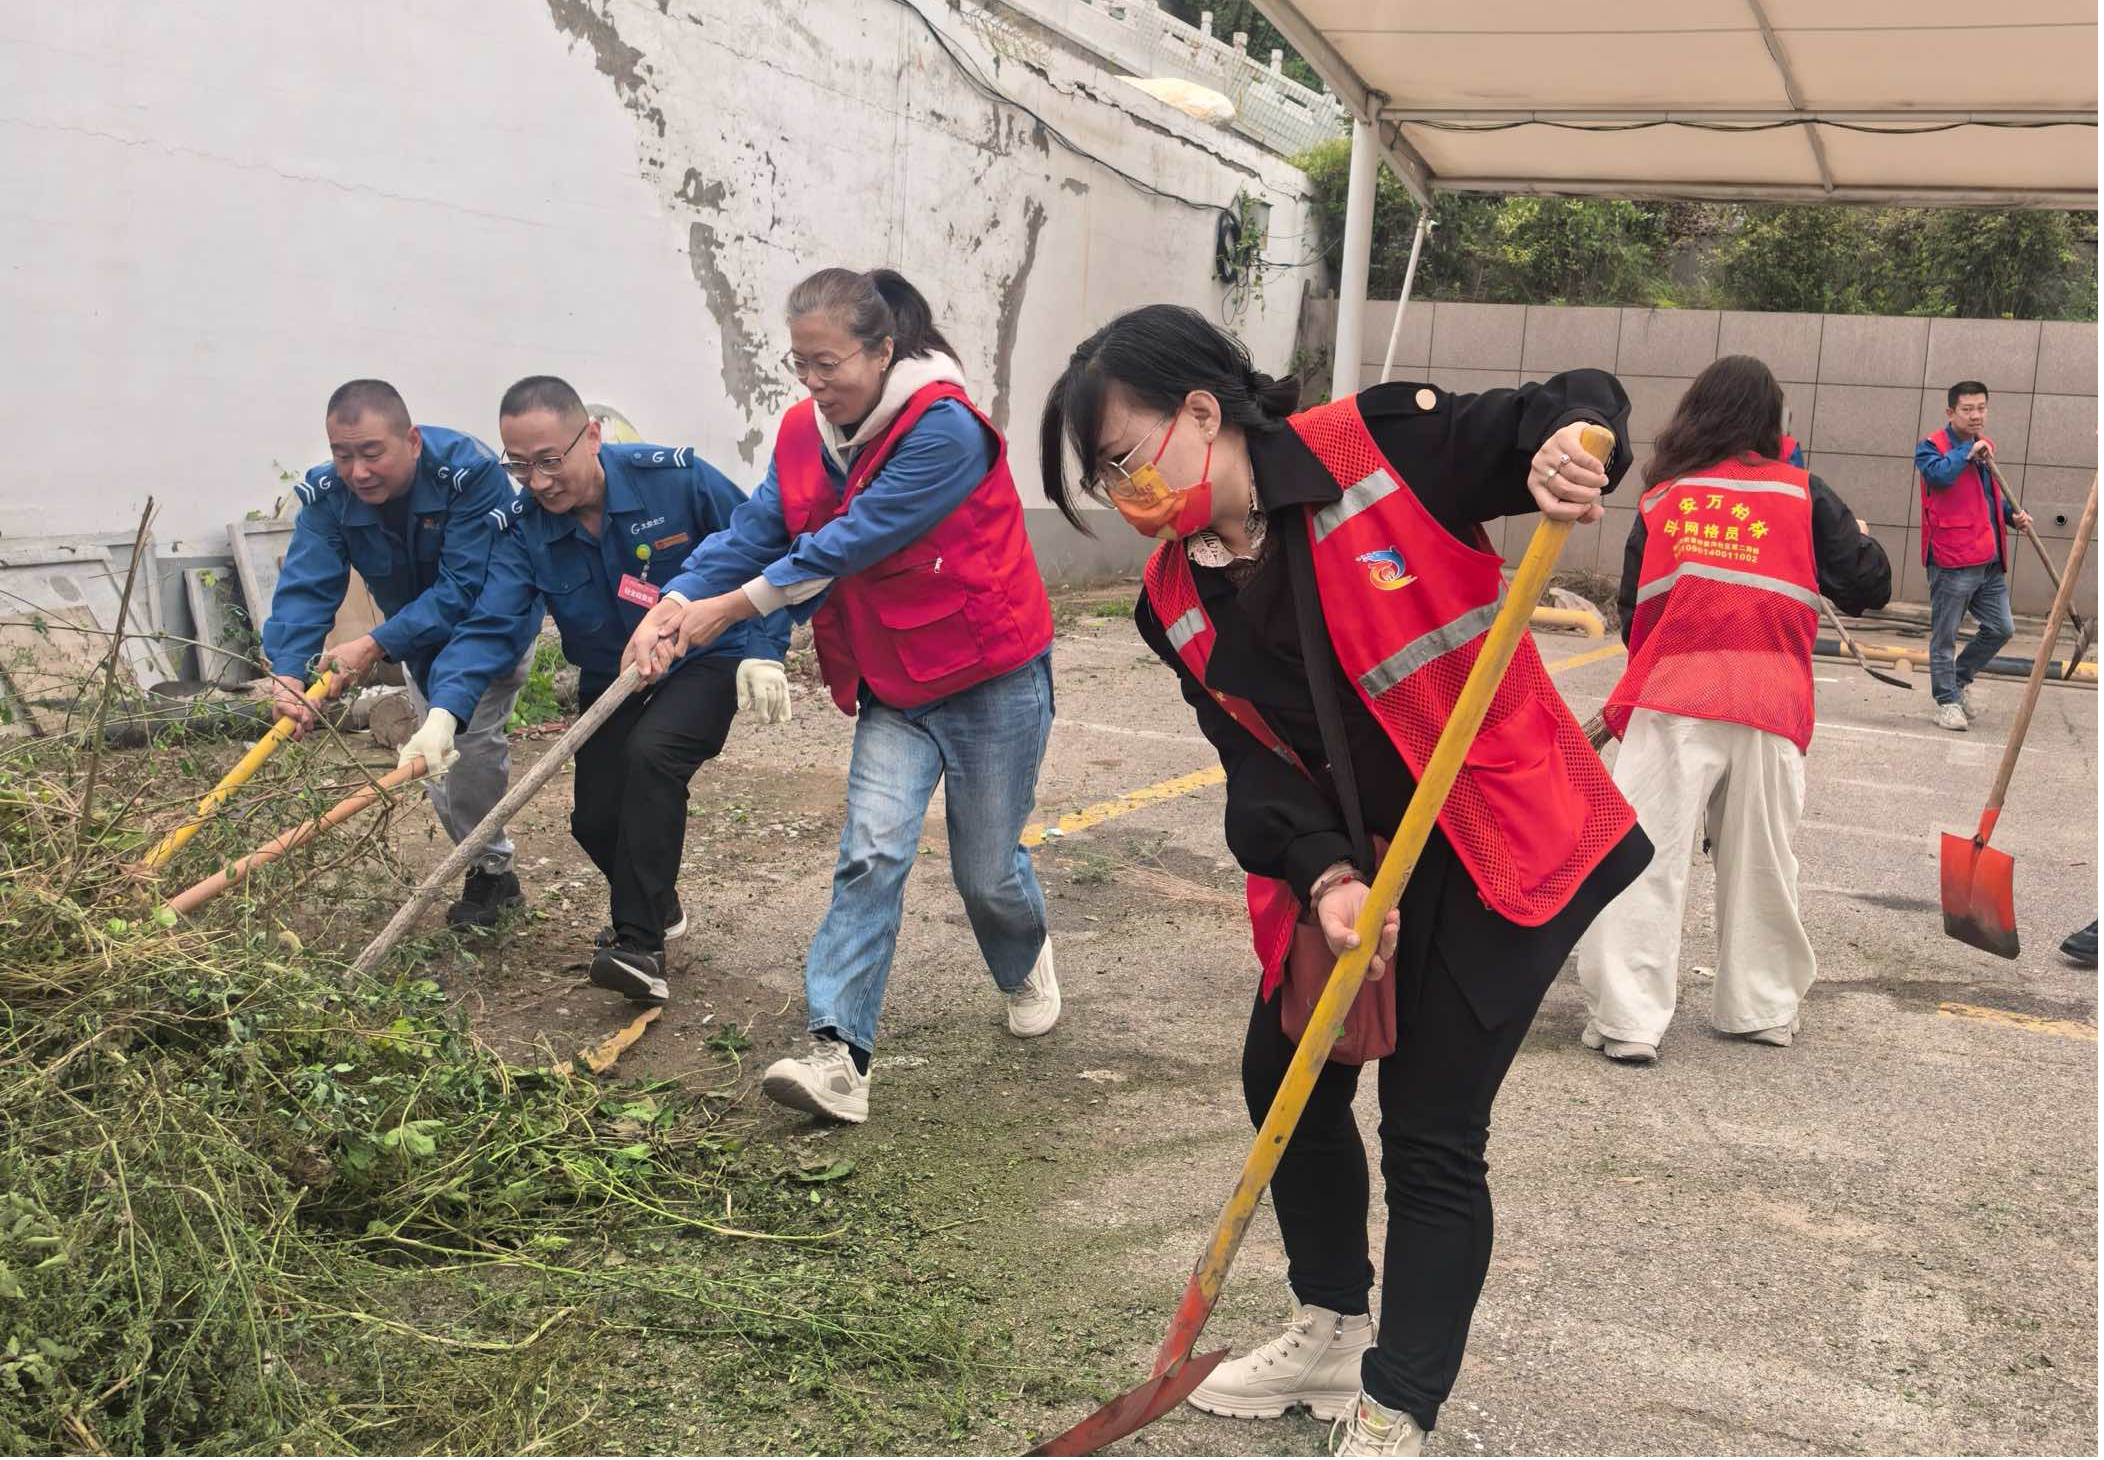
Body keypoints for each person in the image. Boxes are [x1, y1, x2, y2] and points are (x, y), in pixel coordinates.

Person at [1038, 306, 1651, 1459]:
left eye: (1124, 459)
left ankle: (1397, 1401)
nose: (1124, 493)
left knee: (1429, 1124)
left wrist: (1576, 442)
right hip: (1354, 856)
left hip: (1491, 829)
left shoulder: (1377, 447)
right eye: (1103, 478)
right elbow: (1253, 762)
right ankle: (1329, 1325)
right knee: (1284, 1074)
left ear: (1201, 413)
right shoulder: (1171, 598)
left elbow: (1568, 396)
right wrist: (1324, 874)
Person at [623, 268, 1058, 1127]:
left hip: (990, 677)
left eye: (829, 364)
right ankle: (838, 1054)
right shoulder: (803, 433)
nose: (814, 383)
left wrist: (729, 611)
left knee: (985, 871)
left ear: (883, 350)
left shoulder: (945, 430)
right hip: (894, 681)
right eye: (801, 364)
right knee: (871, 853)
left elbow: (851, 541)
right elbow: (757, 529)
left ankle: (1024, 956)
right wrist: (675, 600)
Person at [412, 376, 790, 1003]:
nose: (537, 482)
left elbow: (764, 549)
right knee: (593, 819)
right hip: (612, 676)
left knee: (652, 756)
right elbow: (491, 623)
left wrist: (763, 649)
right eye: (519, 466)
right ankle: (655, 899)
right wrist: (444, 712)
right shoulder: (523, 528)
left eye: (549, 461)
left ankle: (639, 945)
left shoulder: (676, 480)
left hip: (705, 654)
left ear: (590, 435)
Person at [1578, 356, 1891, 1066]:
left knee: (1645, 859)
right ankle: (1761, 1008)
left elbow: (1632, 611)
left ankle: (1628, 1019)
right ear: (1771, 420)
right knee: (1762, 862)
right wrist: (1859, 536)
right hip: (1768, 699)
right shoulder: (1802, 493)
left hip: (1672, 696)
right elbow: (1869, 585)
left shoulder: (1665, 497)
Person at [261, 379, 530, 930]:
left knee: (468, 746)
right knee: (433, 760)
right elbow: (308, 584)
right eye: (343, 455)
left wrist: (372, 644)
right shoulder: (330, 494)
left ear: (411, 441)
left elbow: (465, 588)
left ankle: (491, 871)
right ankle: (485, 860)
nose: (358, 471)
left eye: (371, 453)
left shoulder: (469, 475)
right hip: (416, 641)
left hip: (487, 628)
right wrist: (288, 672)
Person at [1915, 381, 2035, 731]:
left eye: (1981, 408)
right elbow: (1939, 478)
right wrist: (1968, 451)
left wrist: (2012, 518)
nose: (1975, 415)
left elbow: (1985, 498)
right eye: (1967, 409)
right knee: (1945, 636)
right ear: (1950, 412)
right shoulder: (1931, 447)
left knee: (2001, 628)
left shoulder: (1983, 449)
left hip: (1988, 559)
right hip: (1952, 559)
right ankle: (1946, 702)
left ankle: (1957, 680)